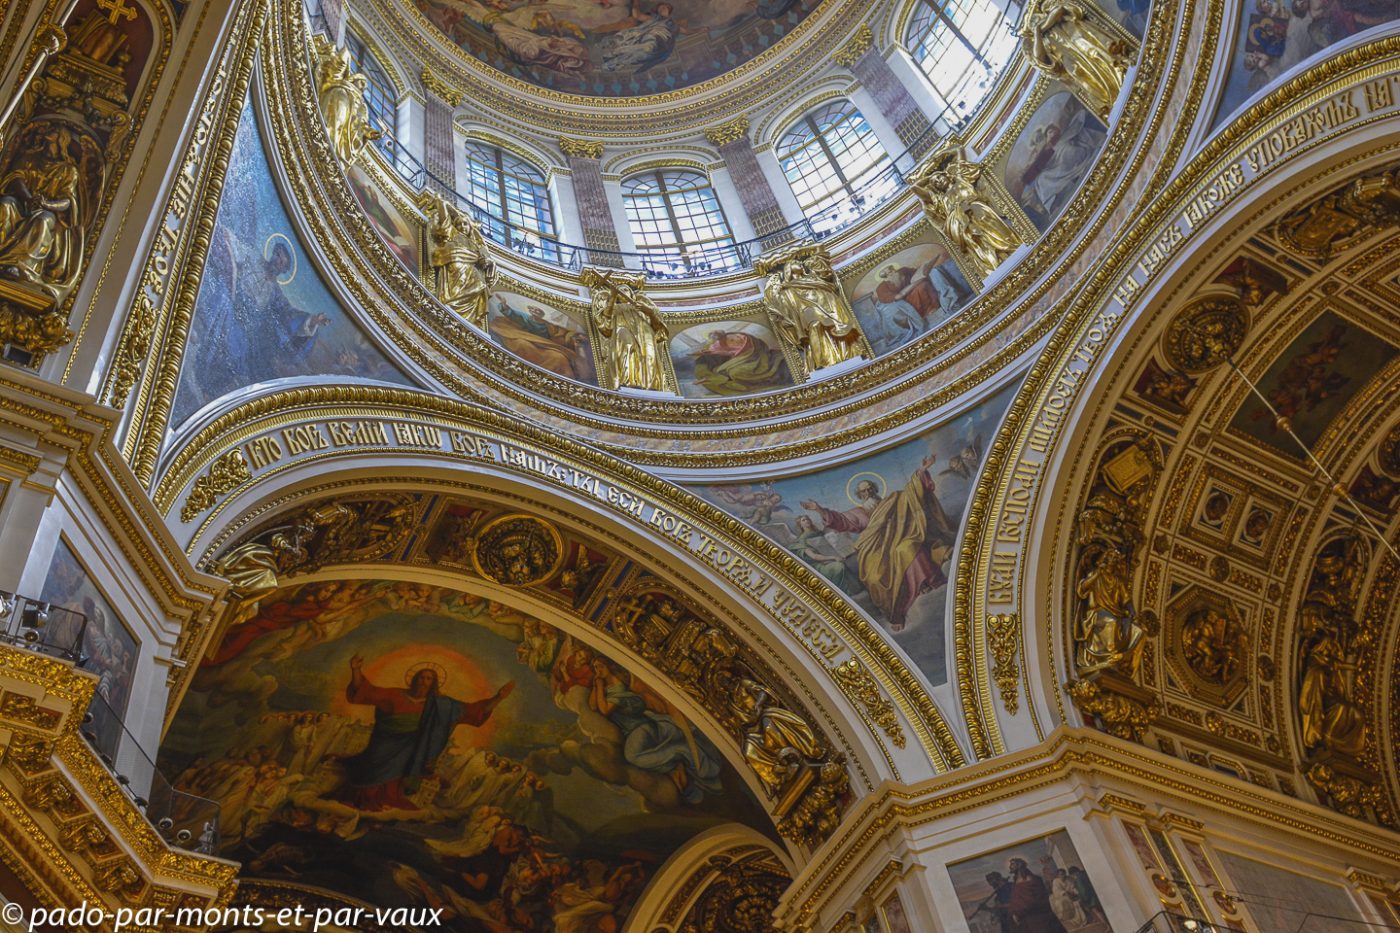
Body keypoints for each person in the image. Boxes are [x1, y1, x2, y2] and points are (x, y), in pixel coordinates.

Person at [338, 655, 514, 811]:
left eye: (428, 678)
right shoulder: (394, 695)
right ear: (414, 679)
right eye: (421, 677)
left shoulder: (441, 705)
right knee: (367, 773)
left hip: (411, 749)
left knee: (399, 774)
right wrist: (356, 670)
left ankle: (389, 800)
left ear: (433, 683)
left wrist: (498, 697)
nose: (424, 681)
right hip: (383, 745)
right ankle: (360, 799)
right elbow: (366, 692)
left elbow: (473, 711)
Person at [800, 456, 957, 630]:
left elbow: (911, 492)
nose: (867, 493)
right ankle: (895, 612)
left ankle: (927, 583)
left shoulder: (892, 500)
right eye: (863, 492)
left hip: (899, 539)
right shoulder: (858, 512)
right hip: (875, 549)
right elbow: (841, 520)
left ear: (874, 489)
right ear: (859, 496)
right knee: (875, 578)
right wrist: (819, 509)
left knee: (909, 548)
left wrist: (921, 471)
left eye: (869, 489)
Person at [689, 329, 787, 394]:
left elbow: (745, 343)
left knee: (734, 372)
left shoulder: (732, 336)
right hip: (741, 357)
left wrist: (741, 349)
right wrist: (707, 352)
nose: (715, 337)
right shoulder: (718, 344)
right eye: (713, 337)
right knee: (721, 370)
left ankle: (753, 382)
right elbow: (722, 351)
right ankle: (714, 378)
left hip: (754, 354)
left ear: (720, 334)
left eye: (716, 335)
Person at [1006, 857, 1069, 933]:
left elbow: (1037, 899)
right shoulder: (1015, 883)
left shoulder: (1033, 879)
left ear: (1019, 865)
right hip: (1024, 920)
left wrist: (1020, 912)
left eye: (1012, 864)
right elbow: (1014, 901)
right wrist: (1014, 913)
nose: (1010, 866)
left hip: (1037, 917)